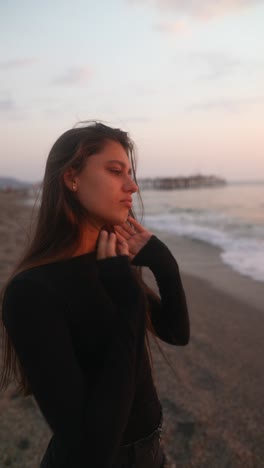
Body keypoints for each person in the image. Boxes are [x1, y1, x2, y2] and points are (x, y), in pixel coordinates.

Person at [0, 121, 190, 468]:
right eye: (115, 171)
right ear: (72, 178)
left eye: (131, 173)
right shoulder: (30, 292)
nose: (132, 186)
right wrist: (130, 304)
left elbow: (176, 333)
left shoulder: (110, 263)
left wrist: (164, 263)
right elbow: (92, 448)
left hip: (152, 455)